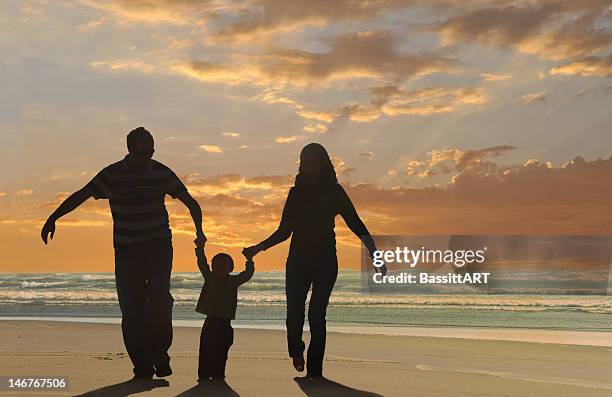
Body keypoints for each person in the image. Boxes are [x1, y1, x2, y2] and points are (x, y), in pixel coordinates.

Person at [40, 127, 206, 380]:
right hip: (127, 248)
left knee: (161, 298)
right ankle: (141, 365)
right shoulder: (112, 174)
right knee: (132, 306)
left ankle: (160, 354)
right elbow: (81, 195)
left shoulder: (161, 172)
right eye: (143, 152)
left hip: (159, 244)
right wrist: (54, 217)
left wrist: (200, 232)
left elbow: (191, 202)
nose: (148, 157)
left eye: (151, 151)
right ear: (130, 150)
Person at [242, 143, 385, 378]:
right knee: (294, 313)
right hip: (298, 260)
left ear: (323, 163)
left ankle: (315, 370)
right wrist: (259, 248)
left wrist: (374, 253)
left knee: (317, 315)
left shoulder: (335, 192)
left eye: (313, 163)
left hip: (325, 261)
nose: (309, 168)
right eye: (305, 163)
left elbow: (355, 223)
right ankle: (296, 352)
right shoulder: (295, 193)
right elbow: (284, 231)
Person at [195, 247, 254, 381]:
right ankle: (204, 373)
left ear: (230, 268)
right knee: (205, 348)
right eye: (217, 265)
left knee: (222, 348)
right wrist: (200, 248)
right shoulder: (209, 277)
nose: (220, 268)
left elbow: (247, 274)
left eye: (224, 265)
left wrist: (249, 260)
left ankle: (218, 373)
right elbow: (202, 263)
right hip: (210, 320)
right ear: (213, 267)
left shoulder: (233, 281)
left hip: (225, 322)